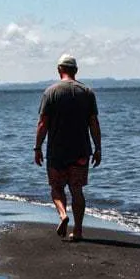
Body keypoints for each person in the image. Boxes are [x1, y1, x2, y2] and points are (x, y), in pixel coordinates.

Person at [34, 53, 101, 242]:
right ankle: (78, 230)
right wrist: (98, 148)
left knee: (56, 187)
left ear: (59, 70)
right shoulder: (87, 92)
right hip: (81, 150)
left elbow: (43, 123)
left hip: (57, 150)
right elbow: (94, 122)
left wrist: (37, 147)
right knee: (77, 189)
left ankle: (63, 214)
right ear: (76, 70)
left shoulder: (51, 92)